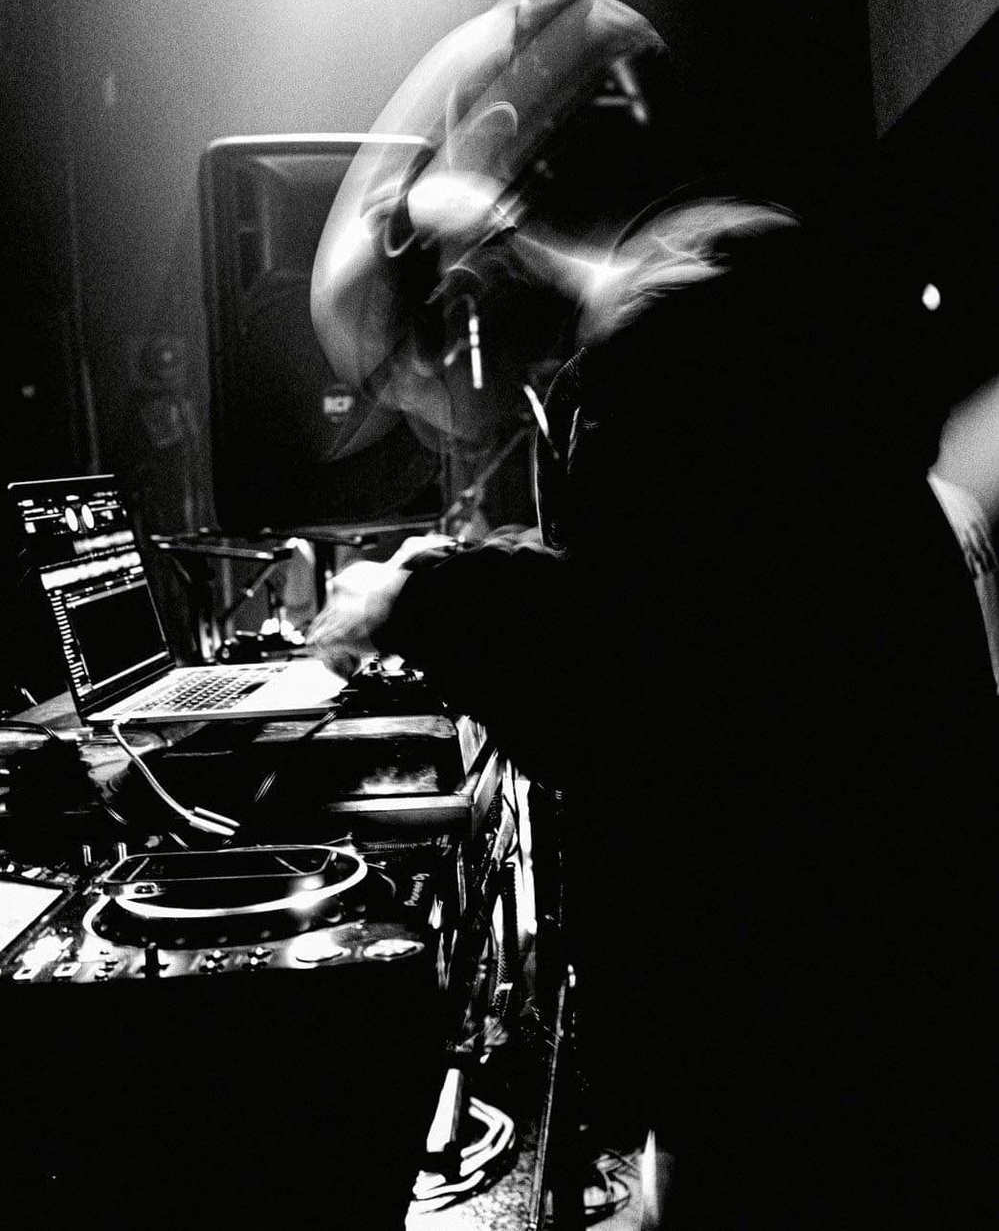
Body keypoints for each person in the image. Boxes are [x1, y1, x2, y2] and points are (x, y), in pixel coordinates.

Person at [307, 183, 997, 1225]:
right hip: (873, 954)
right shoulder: (706, 293)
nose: (413, 412)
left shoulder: (661, 361)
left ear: (463, 312)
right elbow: (690, 590)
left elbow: (634, 691)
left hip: (808, 999)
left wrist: (415, 600)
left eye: (397, 377)